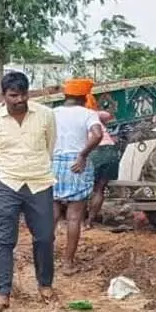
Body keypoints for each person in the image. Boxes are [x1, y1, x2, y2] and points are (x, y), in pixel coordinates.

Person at [0, 71, 57, 312]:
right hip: (8, 184)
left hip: (40, 183)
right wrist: (13, 169)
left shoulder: (45, 115)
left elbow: (50, 146)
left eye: (23, 94)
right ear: (4, 96)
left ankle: (45, 285)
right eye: (13, 95)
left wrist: (34, 167)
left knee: (45, 237)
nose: (19, 100)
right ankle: (1, 293)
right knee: (4, 240)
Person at [52, 79, 103, 274]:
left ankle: (46, 261)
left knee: (52, 216)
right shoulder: (89, 114)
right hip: (76, 165)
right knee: (74, 218)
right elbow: (97, 135)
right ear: (85, 96)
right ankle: (67, 264)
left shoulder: (52, 113)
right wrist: (83, 154)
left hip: (54, 164)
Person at [87, 107, 119, 229]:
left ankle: (80, 221)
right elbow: (108, 116)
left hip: (95, 151)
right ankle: (90, 221)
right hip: (110, 151)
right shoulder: (94, 114)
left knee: (85, 190)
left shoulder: (75, 117)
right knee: (100, 189)